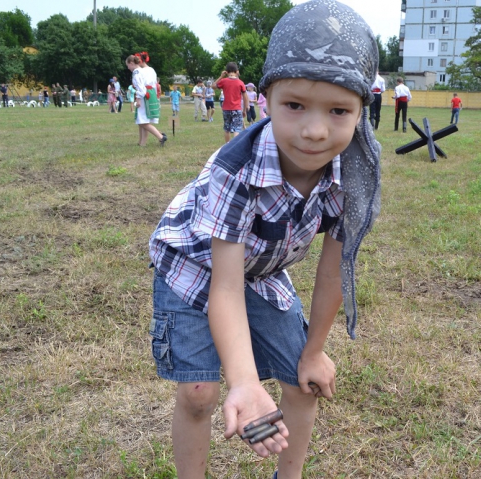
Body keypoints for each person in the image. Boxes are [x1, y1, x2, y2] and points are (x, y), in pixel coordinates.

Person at [148, 1, 381, 477]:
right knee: (201, 394)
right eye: (294, 105)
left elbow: (335, 268)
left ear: (362, 112)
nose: (314, 131)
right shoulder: (235, 169)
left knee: (302, 382)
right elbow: (225, 286)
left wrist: (314, 351)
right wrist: (245, 381)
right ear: (265, 99)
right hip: (192, 267)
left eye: (339, 110)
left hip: (261, 272)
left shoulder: (356, 177)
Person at [127, 54, 167, 147]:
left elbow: (141, 87)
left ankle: (160, 136)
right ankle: (142, 142)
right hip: (150, 92)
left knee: (143, 120)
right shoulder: (150, 70)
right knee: (142, 120)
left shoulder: (138, 71)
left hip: (145, 94)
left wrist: (138, 98)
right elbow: (154, 84)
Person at [212, 62, 249, 143]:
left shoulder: (224, 81)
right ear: (237, 71)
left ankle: (227, 145)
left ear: (226, 72)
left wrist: (221, 76)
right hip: (237, 108)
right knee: (237, 128)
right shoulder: (240, 82)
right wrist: (245, 109)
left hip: (226, 108)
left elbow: (213, 86)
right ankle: (235, 146)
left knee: (227, 129)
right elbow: (245, 97)